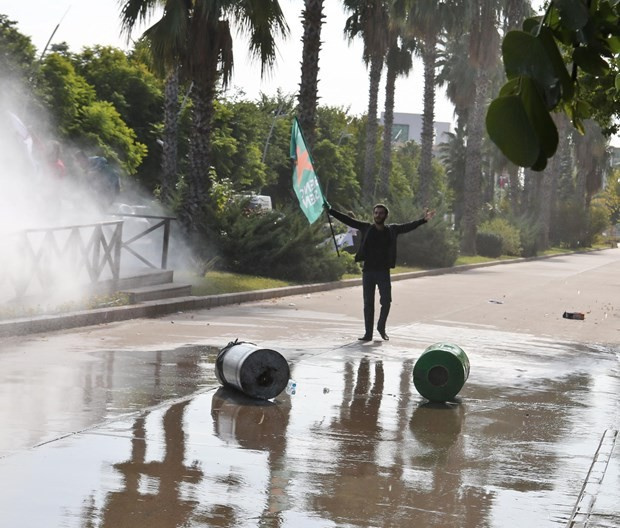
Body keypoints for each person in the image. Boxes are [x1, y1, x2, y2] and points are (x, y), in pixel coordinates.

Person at [326, 202, 436, 341]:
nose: (378, 215)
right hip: (368, 272)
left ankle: (381, 326)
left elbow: (408, 226)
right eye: (376, 213)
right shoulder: (366, 228)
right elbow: (349, 220)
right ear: (373, 215)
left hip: (383, 272)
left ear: (386, 216)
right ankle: (368, 334)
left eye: (381, 213)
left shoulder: (392, 230)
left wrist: (424, 220)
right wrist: (331, 211)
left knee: (386, 301)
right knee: (368, 303)